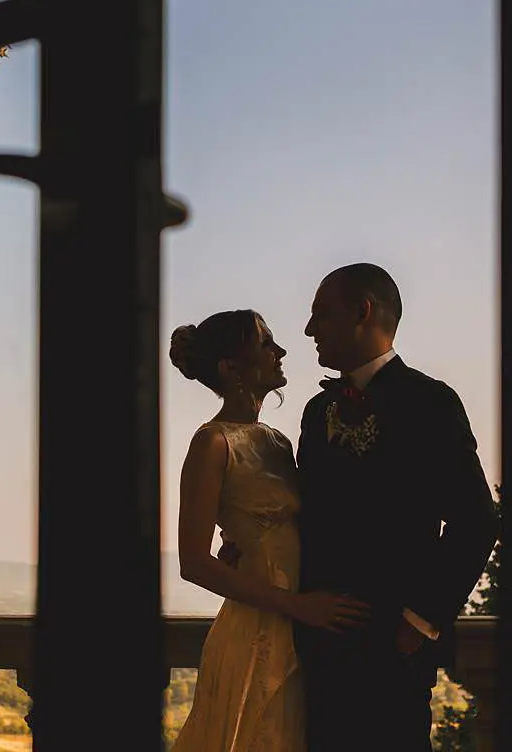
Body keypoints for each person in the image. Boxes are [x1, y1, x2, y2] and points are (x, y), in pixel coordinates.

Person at [296, 263, 500, 751]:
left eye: (321, 314)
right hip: (314, 648)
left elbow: (476, 520)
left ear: (362, 312)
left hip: (389, 653)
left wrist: (418, 623)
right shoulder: (316, 411)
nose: (308, 330)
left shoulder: (431, 402)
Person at [169, 309, 370, 752]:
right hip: (257, 632)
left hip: (302, 630)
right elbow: (193, 563)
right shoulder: (211, 443)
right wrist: (298, 606)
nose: (280, 351)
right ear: (231, 367)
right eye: (265, 343)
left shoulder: (277, 442)